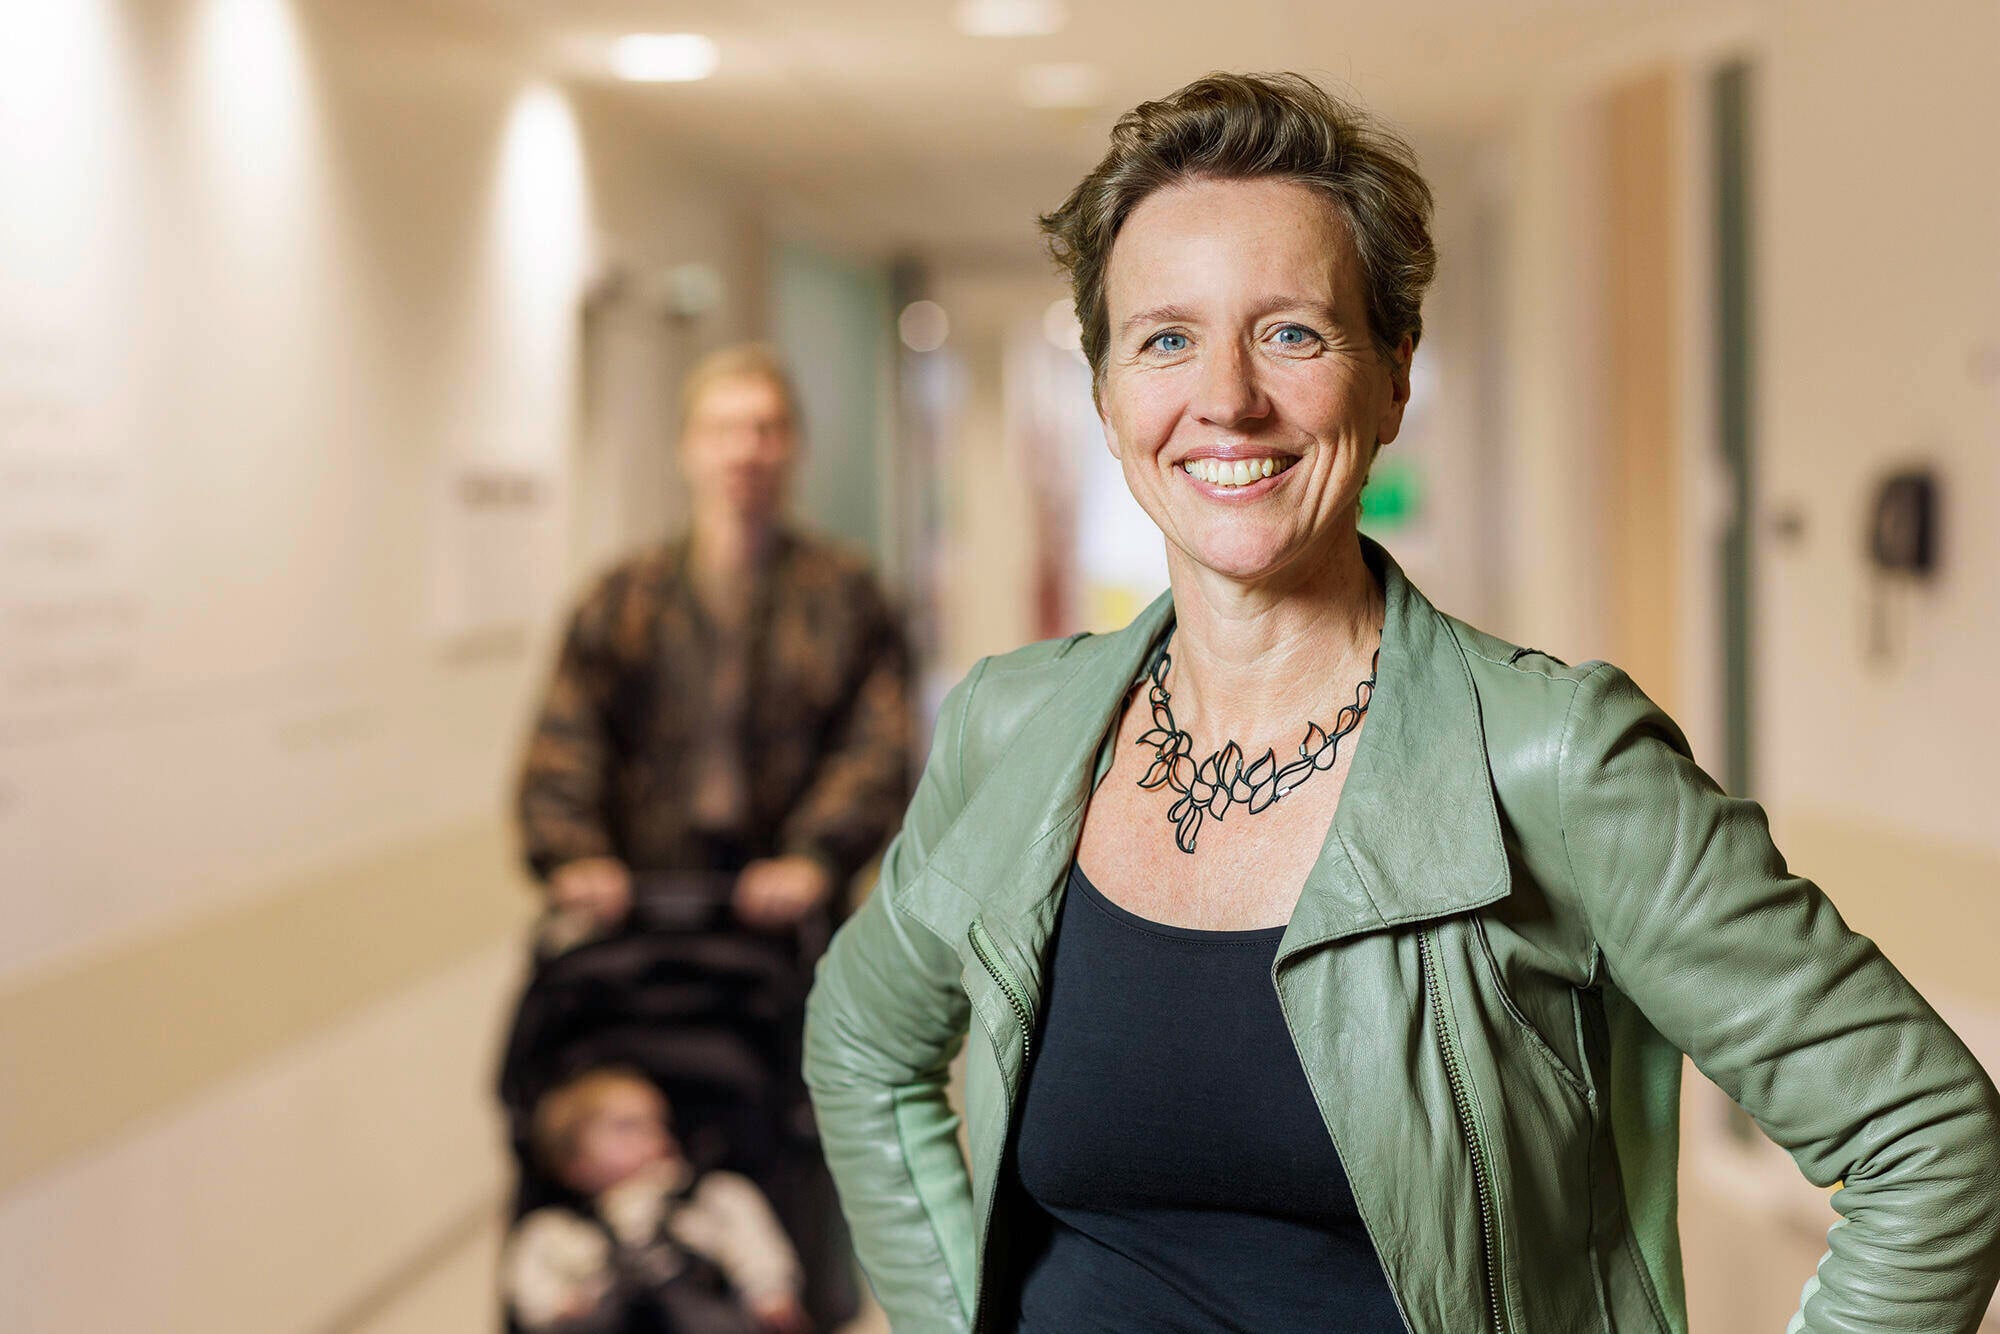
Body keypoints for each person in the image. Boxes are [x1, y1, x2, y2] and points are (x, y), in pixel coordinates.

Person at [802, 72, 2000, 1333]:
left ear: (1390, 381)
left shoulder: (1554, 762)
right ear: (1105, 398)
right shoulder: (1012, 729)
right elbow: (860, 1043)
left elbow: (1925, 1141)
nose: (1226, 397)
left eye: (1290, 334)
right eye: (1163, 339)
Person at [518, 341, 912, 1328]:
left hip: (781, 912)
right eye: (726, 428)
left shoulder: (842, 593)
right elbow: (565, 740)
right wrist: (573, 854)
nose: (747, 448)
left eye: (766, 428)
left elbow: (877, 744)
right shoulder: (624, 598)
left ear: (793, 449)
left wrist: (815, 855)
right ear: (688, 447)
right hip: (635, 911)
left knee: (790, 1120)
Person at [503, 1067, 811, 1334]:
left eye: (659, 1124)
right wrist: (558, 1306)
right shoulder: (556, 1230)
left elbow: (753, 1244)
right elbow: (530, 1287)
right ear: (574, 1160)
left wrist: (770, 1293)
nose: (653, 1136)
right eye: (627, 1126)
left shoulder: (710, 1196)